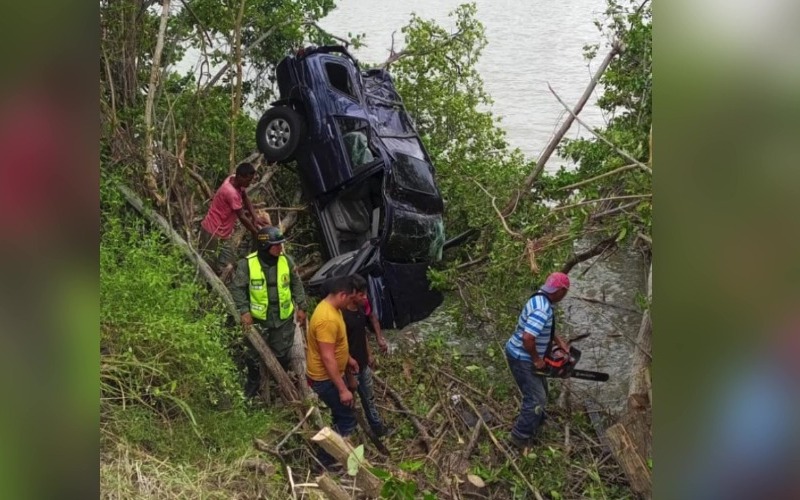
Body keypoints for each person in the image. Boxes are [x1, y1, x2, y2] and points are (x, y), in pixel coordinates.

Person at [230, 226, 307, 387]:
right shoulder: (247, 264)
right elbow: (237, 288)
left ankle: (278, 382)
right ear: (265, 246)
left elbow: (296, 284)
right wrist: (244, 311)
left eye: (280, 244)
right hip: (258, 319)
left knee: (282, 352)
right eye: (276, 245)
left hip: (282, 319)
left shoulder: (287, 261)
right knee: (252, 353)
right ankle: (254, 382)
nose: (280, 248)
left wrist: (302, 306)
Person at [505, 271, 572, 449]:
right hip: (523, 357)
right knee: (536, 399)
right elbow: (528, 338)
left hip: (522, 354)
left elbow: (542, 327)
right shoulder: (542, 309)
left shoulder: (541, 298)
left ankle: (537, 422)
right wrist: (536, 360)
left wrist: (558, 342)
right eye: (565, 292)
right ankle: (519, 436)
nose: (564, 296)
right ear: (560, 291)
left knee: (542, 391)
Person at [306, 275, 360, 466]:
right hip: (325, 379)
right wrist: (343, 389)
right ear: (342, 295)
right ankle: (326, 461)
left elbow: (336, 344)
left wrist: (348, 359)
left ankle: (331, 455)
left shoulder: (333, 310)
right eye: (350, 298)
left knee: (340, 415)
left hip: (331, 375)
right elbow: (327, 357)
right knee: (346, 419)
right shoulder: (327, 319)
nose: (351, 303)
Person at [199, 162, 267, 280]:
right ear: (240, 176)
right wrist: (255, 232)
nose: (249, 183)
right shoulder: (231, 192)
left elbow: (245, 197)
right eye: (248, 180)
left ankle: (221, 283)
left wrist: (255, 217)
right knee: (208, 266)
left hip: (223, 234)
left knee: (228, 263)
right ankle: (205, 288)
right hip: (212, 232)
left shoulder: (234, 180)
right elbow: (242, 216)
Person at [343, 274, 390, 437]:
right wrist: (349, 375)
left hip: (362, 363)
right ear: (352, 294)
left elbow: (362, 333)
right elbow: (340, 348)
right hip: (350, 366)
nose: (365, 297)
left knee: (369, 398)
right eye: (361, 294)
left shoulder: (361, 308)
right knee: (351, 400)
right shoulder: (342, 316)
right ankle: (354, 433)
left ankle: (377, 428)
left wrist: (369, 354)